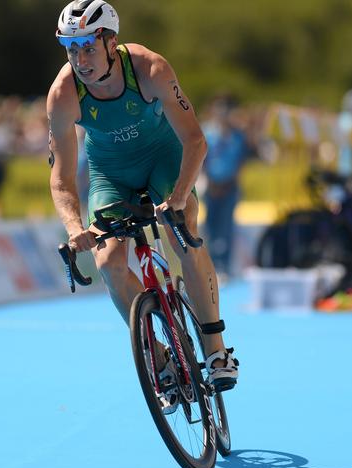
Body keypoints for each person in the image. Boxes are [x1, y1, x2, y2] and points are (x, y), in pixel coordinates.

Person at [46, 0, 238, 401]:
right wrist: (75, 229)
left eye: (87, 47)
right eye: (72, 49)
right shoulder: (63, 93)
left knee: (183, 226)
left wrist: (179, 196)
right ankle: (162, 358)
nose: (80, 59)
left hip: (164, 160)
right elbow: (62, 179)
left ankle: (216, 350)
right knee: (108, 261)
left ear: (111, 42)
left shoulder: (151, 69)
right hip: (111, 175)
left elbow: (195, 141)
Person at [201, 96, 249, 280]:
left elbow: (241, 160)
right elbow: (202, 158)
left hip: (230, 186)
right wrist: (209, 181)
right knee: (211, 227)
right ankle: (212, 266)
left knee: (227, 226)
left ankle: (225, 267)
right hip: (211, 186)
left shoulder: (238, 135)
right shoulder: (207, 132)